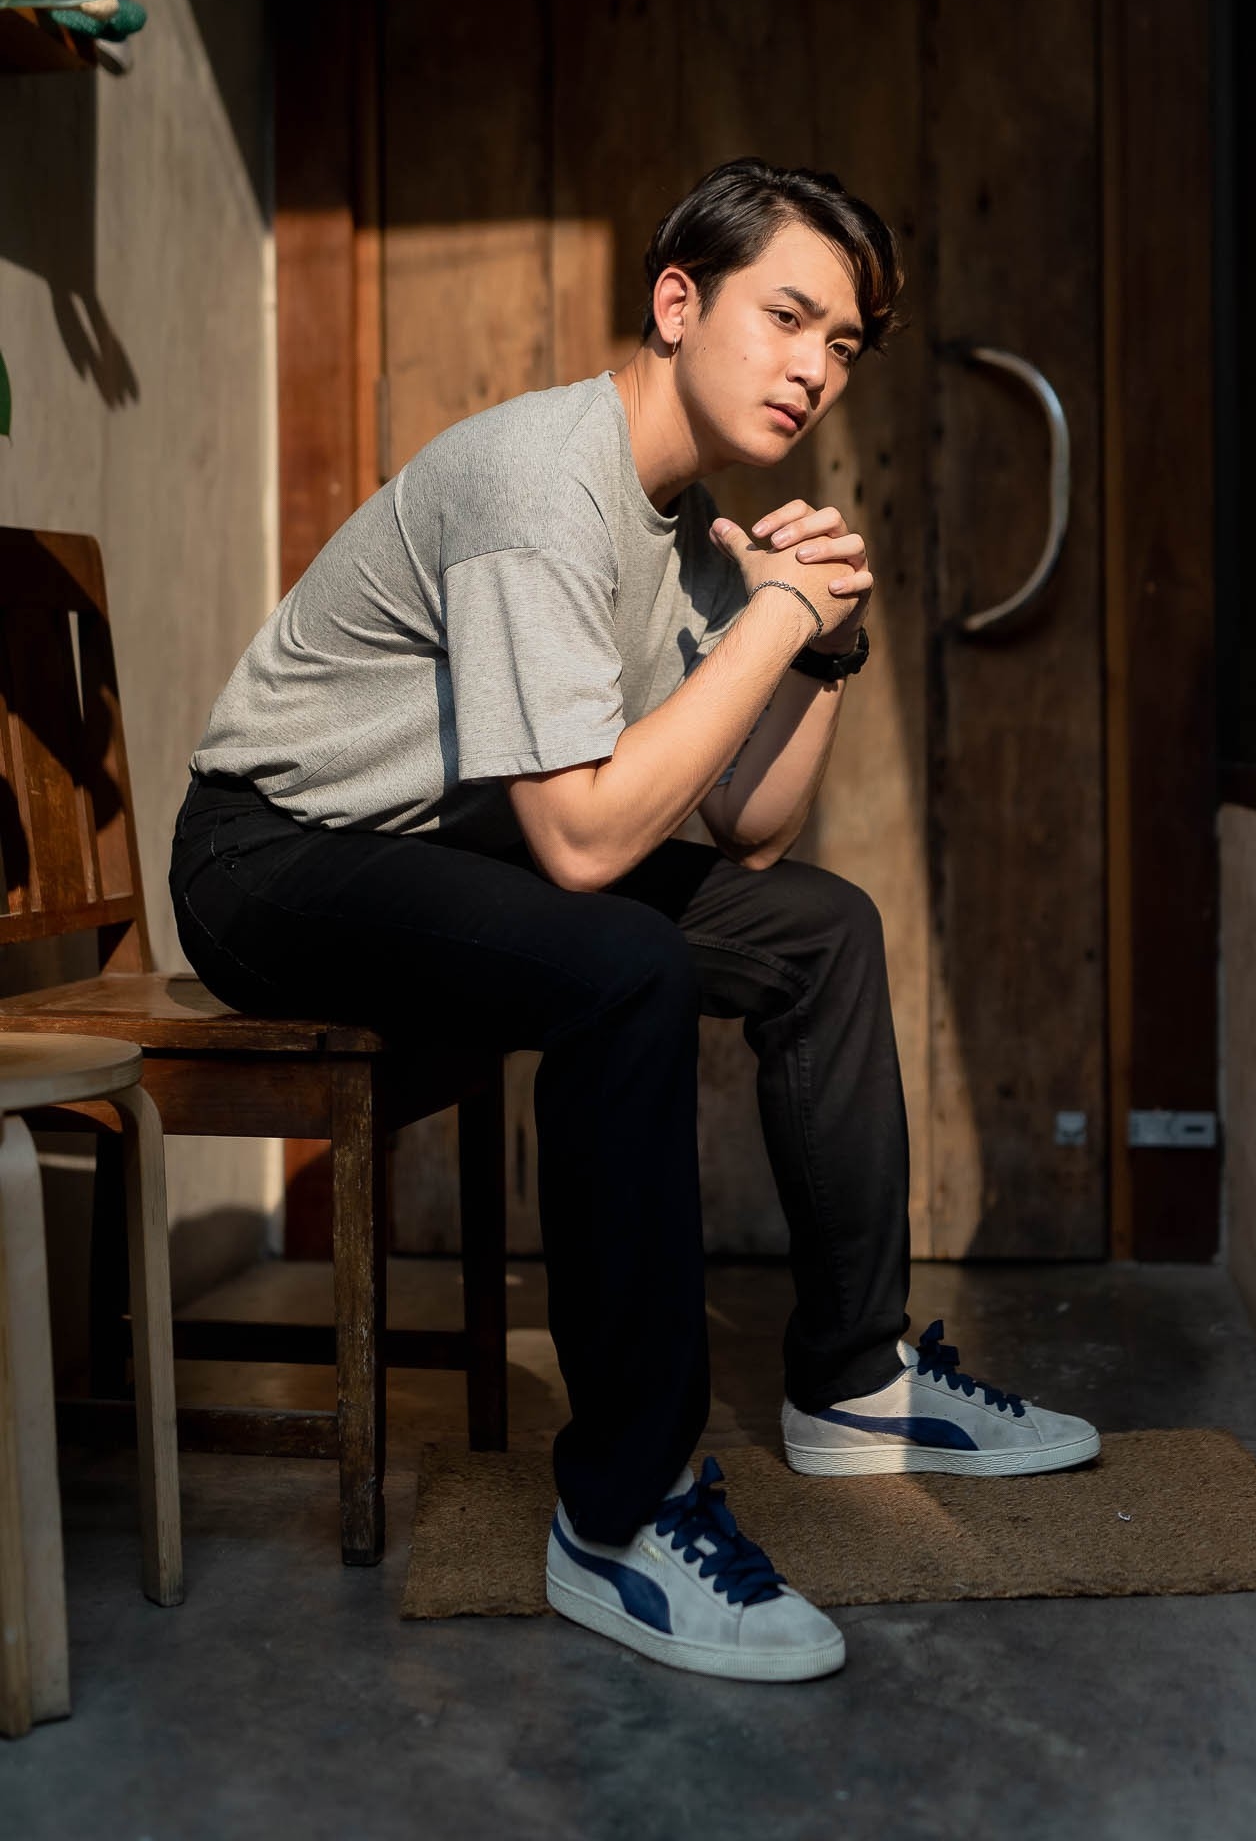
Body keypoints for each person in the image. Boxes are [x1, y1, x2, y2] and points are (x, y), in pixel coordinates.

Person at [169, 158, 1098, 1685]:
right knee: (623, 967)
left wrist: (821, 646)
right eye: (786, 315)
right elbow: (590, 840)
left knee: (818, 931)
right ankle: (620, 1515)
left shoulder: (684, 532)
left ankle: (854, 1380)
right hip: (273, 852)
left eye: (843, 343)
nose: (815, 367)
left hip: (447, 844)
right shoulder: (542, 480)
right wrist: (779, 615)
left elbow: (751, 827)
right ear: (678, 302)